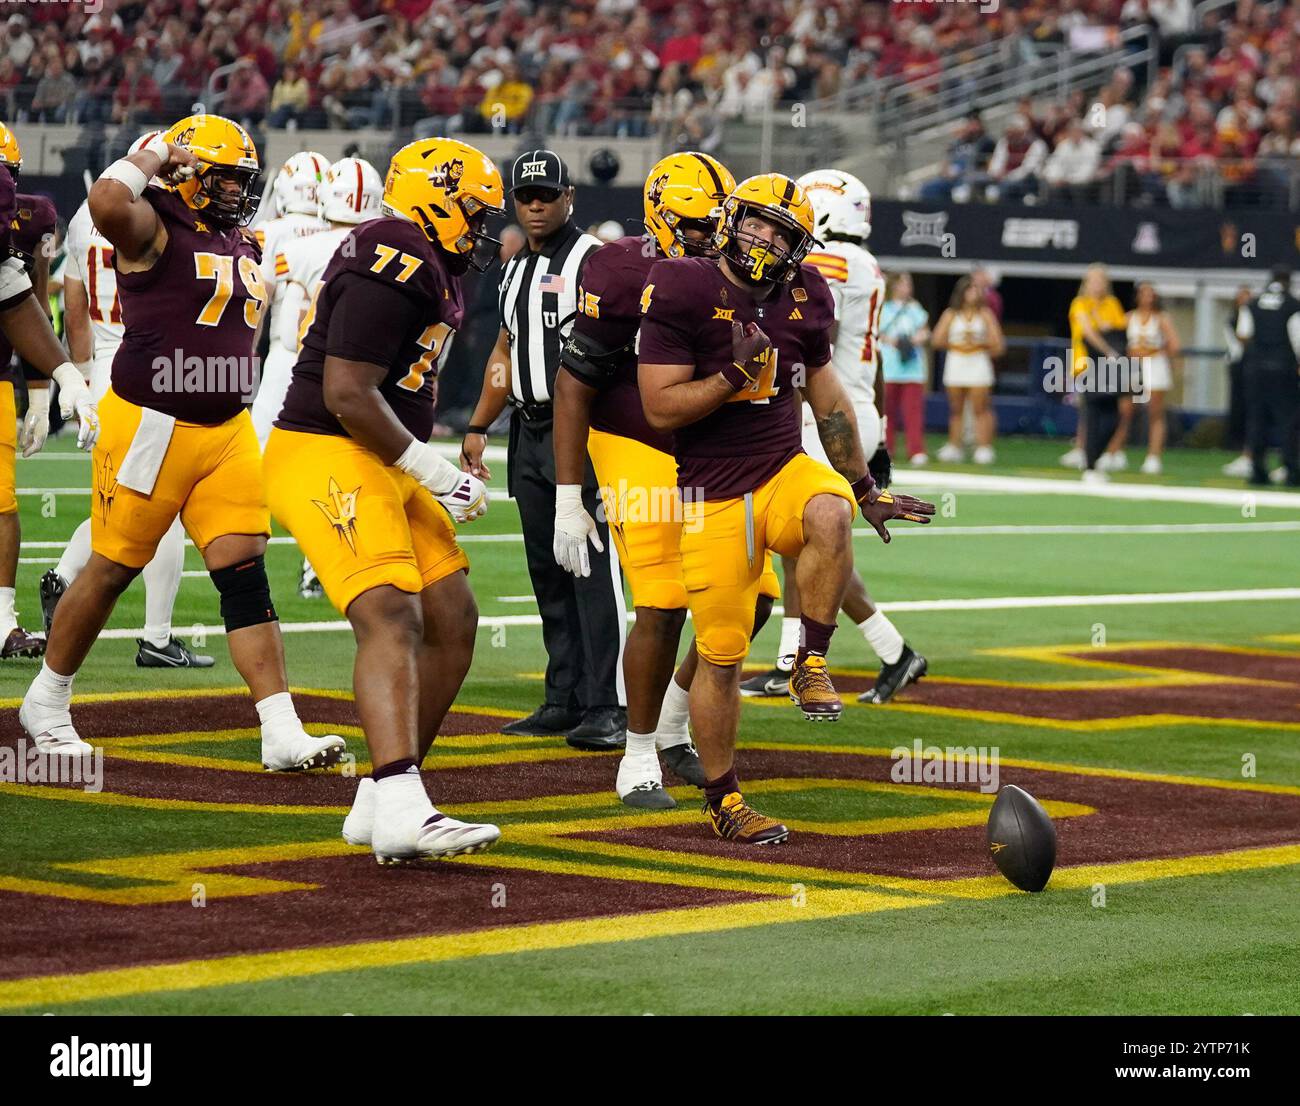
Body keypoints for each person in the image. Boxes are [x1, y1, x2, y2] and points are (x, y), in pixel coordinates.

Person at [19, 114, 345, 773]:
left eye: (243, 182)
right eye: (225, 180)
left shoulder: (239, 237)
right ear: (188, 174)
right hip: (150, 424)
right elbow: (107, 200)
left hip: (224, 431)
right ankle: (47, 701)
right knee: (112, 568)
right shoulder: (153, 221)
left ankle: (279, 728)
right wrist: (159, 152)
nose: (238, 193)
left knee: (246, 576)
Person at [638, 173, 935, 844]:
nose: (764, 238)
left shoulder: (807, 292)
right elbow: (659, 406)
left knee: (831, 514)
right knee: (720, 653)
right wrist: (732, 377)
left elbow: (827, 396)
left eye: (781, 231)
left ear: (801, 245)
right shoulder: (683, 286)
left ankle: (810, 660)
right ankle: (723, 799)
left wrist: (865, 487)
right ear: (729, 219)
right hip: (712, 491)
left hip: (779, 470)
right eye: (756, 222)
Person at [265, 138, 505, 863]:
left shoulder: (423, 257)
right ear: (434, 195)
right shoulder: (394, 250)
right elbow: (345, 393)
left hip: (379, 457)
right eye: (473, 209)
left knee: (454, 614)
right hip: (324, 447)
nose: (483, 225)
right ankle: (403, 799)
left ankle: (381, 799)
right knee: (391, 612)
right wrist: (436, 472)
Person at [553, 151, 782, 809]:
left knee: (756, 595)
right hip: (632, 438)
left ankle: (675, 718)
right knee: (663, 598)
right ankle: (637, 752)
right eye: (698, 224)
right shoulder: (620, 269)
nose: (716, 237)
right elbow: (574, 385)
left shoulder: (745, 275)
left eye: (723, 224)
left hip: (707, 443)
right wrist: (571, 498)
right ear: (660, 216)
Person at [461, 150, 627, 751]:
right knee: (547, 569)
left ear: (569, 197)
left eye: (546, 195)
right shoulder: (510, 269)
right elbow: (505, 349)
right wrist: (481, 423)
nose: (535, 206)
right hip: (528, 430)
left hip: (580, 434)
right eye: (525, 197)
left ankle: (610, 704)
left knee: (590, 567)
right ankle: (565, 697)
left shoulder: (596, 263)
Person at [743, 170, 926, 707]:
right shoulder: (867, 265)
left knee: (809, 540)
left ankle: (829, 658)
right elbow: (876, 361)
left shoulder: (833, 262)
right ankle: (842, 657)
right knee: (803, 545)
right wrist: (884, 435)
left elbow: (807, 343)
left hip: (828, 414)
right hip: (854, 409)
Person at [43, 131, 214, 668]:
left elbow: (73, 305)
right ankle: (157, 637)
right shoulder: (163, 219)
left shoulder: (81, 218)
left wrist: (81, 377)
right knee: (162, 503)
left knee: (123, 496)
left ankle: (65, 573)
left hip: (106, 365)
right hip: (150, 363)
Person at [268, 156, 384, 599]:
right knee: (349, 470)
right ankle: (327, 559)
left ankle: (248, 555)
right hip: (356, 374)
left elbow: (270, 310)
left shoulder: (297, 247)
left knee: (260, 470)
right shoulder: (378, 248)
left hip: (292, 365)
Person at [0, 123, 55, 659]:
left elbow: (31, 298)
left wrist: (40, 390)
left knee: (1, 501)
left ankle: (1, 622)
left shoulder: (30, 218)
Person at [249, 151, 329, 447]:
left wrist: (247, 354)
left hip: (285, 353)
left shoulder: (271, 232)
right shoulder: (350, 237)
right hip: (329, 357)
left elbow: (259, 300)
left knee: (260, 450)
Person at [1235, 267, 1300, 487]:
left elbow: (1243, 334)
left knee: (1256, 419)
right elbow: (1297, 337)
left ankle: (1257, 470)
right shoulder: (1292, 304)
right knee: (1287, 419)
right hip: (1283, 367)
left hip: (1255, 367)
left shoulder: (1252, 303)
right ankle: (1291, 470)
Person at [1068, 264, 1130, 481]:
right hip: (1087, 364)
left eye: (1101, 280)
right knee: (1092, 415)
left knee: (1113, 416)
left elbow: (1120, 331)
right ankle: (1090, 465)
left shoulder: (1112, 304)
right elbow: (1089, 332)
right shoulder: (1080, 304)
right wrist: (1108, 350)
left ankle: (1095, 456)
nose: (1097, 285)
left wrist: (1112, 349)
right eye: (1093, 281)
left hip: (1110, 368)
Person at [933, 277, 1003, 464]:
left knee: (981, 407)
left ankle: (983, 447)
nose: (973, 293)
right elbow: (936, 340)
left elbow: (998, 345)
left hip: (978, 362)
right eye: (969, 289)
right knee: (956, 408)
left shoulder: (985, 314)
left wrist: (978, 343)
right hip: (956, 362)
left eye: (976, 289)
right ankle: (955, 446)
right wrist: (958, 343)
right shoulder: (951, 314)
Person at [1126, 282, 1180, 475]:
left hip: (1154, 367)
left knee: (1154, 412)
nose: (1147, 298)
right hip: (1132, 368)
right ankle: (1114, 452)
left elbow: (1175, 345)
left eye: (1151, 294)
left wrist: (1154, 350)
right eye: (1143, 293)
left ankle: (1153, 456)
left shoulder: (1161, 318)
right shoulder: (1129, 317)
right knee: (1125, 410)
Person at [879, 272, 930, 466]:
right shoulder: (884, 308)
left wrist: (917, 339)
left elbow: (925, 330)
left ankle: (916, 449)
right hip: (890, 366)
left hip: (912, 369)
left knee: (913, 411)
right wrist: (892, 341)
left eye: (909, 284)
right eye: (903, 284)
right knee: (887, 411)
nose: (907, 288)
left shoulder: (915, 309)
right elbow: (876, 332)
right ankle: (887, 448)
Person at [1222, 286, 1254, 478]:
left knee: (1254, 410)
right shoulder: (1233, 319)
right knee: (1240, 408)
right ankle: (1241, 448)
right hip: (1239, 366)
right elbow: (1239, 343)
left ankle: (1250, 453)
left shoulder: (1256, 316)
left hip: (1255, 367)